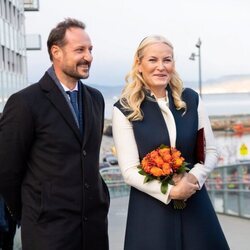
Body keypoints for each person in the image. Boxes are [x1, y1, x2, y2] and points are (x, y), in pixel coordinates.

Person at [0, 18, 109, 250]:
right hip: (47, 232)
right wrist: (34, 211)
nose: (88, 57)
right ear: (56, 52)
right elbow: (6, 170)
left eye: (90, 50)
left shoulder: (96, 99)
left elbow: (87, 156)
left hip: (94, 229)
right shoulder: (25, 102)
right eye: (79, 50)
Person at [112, 35, 229, 250]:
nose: (161, 67)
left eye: (167, 60)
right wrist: (170, 192)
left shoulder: (191, 100)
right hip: (150, 211)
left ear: (173, 64)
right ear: (139, 65)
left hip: (195, 202)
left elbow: (211, 150)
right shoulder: (125, 109)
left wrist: (193, 178)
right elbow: (129, 170)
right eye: (153, 60)